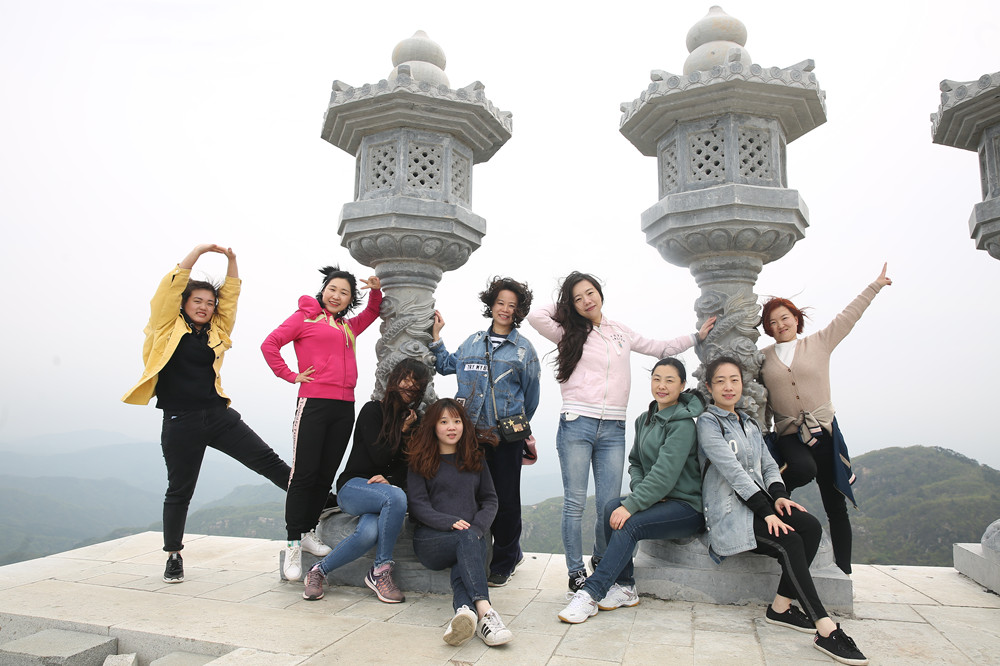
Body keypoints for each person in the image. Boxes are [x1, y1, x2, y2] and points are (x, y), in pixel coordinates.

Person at [526, 271, 715, 591]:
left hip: (613, 427)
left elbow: (660, 348)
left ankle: (602, 560)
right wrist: (567, 308)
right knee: (575, 503)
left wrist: (695, 337)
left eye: (590, 293)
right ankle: (575, 571)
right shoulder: (568, 332)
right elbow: (535, 316)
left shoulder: (620, 332)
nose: (587, 301)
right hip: (577, 423)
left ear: (600, 293)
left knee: (609, 502)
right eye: (578, 298)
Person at [123, 244, 295, 584]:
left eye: (209, 303)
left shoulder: (218, 331)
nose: (204, 307)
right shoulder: (165, 326)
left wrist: (231, 260)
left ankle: (324, 502)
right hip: (180, 420)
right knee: (180, 490)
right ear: (184, 303)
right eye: (197, 301)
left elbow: (230, 297)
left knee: (269, 462)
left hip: (218, 415)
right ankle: (173, 555)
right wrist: (200, 251)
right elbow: (170, 286)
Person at [698, 357, 868, 666]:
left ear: (742, 384)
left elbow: (768, 466)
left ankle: (780, 608)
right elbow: (733, 471)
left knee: (810, 527)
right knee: (790, 541)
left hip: (760, 505)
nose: (728, 386)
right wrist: (767, 512)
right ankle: (825, 628)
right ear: (709, 387)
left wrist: (778, 497)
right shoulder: (708, 424)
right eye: (720, 381)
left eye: (734, 380)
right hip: (731, 513)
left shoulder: (749, 423)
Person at [759, 263, 893, 575]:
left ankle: (843, 571)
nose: (780, 325)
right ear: (767, 328)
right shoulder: (762, 358)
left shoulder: (819, 342)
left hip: (825, 432)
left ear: (796, 319)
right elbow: (757, 396)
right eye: (772, 322)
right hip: (790, 435)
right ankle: (772, 504)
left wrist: (875, 286)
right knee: (802, 469)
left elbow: (849, 316)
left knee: (836, 507)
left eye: (785, 318)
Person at [558, 358, 706, 623]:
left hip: (686, 507)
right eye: (657, 379)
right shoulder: (644, 420)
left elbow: (664, 475)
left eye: (669, 380)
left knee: (629, 522)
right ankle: (625, 586)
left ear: (682, 385)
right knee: (610, 509)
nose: (661, 386)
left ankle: (591, 593)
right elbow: (636, 462)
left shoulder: (683, 424)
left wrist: (634, 504)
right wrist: (642, 493)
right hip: (659, 500)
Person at [262, 266, 383, 581]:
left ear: (349, 299)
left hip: (344, 406)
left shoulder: (347, 327)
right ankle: (293, 543)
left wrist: (375, 290)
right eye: (333, 289)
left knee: (325, 473)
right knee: (304, 474)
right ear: (323, 289)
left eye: (344, 293)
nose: (337, 296)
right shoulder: (304, 318)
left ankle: (308, 531)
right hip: (314, 404)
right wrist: (291, 375)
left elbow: (372, 312)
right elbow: (270, 344)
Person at [430, 276, 541, 587]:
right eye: (500, 303)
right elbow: (446, 365)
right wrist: (436, 337)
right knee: (474, 499)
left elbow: (531, 397)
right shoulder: (472, 342)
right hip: (470, 436)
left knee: (506, 499)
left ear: (518, 311)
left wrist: (513, 425)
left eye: (511, 305)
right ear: (491, 305)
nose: (505, 309)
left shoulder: (523, 350)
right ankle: (487, 552)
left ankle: (505, 561)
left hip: (505, 438)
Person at [300, 358, 429, 603]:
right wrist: (401, 431)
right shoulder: (372, 411)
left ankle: (318, 571)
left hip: (383, 493)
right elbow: (379, 455)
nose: (410, 386)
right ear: (395, 379)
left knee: (368, 534)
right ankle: (381, 570)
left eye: (416, 382)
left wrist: (389, 479)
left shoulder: (416, 420)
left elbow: (409, 465)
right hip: (354, 487)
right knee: (396, 496)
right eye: (406, 378)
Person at [407, 398, 513, 647]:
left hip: (469, 537)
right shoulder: (419, 461)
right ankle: (486, 612)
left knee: (465, 549)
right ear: (433, 426)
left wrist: (476, 529)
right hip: (431, 540)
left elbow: (490, 500)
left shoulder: (475, 459)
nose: (451, 427)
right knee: (467, 541)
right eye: (444, 422)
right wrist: (451, 522)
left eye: (456, 421)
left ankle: (465, 612)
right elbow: (419, 506)